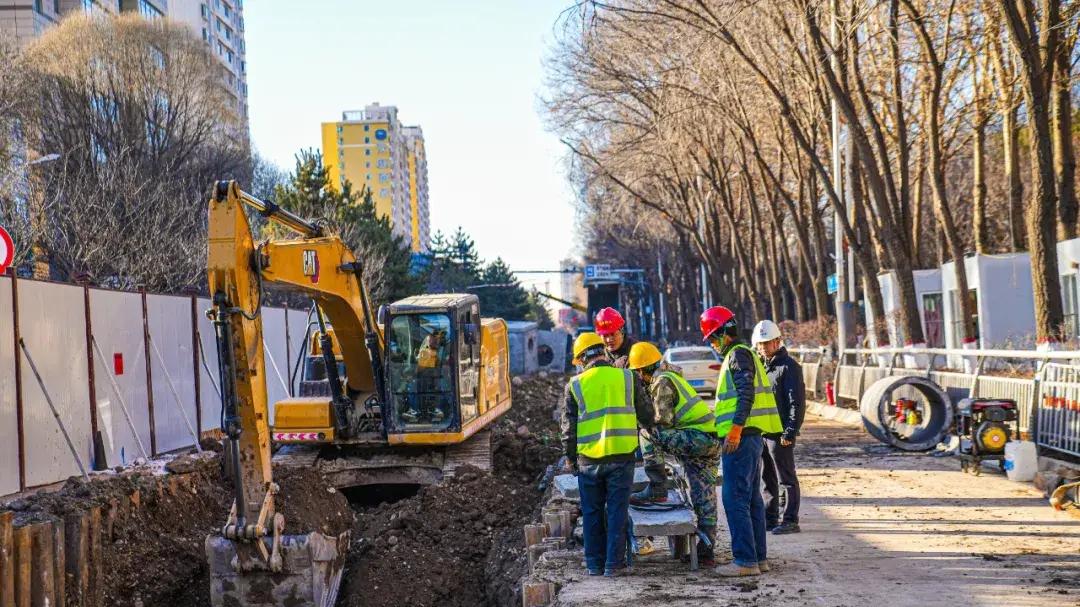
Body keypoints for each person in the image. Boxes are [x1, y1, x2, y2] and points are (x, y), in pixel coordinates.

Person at [560, 332, 653, 577]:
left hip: (588, 461)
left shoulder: (575, 385)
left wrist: (570, 457)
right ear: (602, 352)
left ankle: (594, 564)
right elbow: (647, 415)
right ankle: (614, 565)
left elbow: (569, 428)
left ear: (581, 359)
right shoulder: (628, 377)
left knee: (591, 512)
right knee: (617, 512)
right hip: (622, 458)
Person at [701, 306, 784, 577]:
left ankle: (746, 561)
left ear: (725, 333)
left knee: (735, 498)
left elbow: (745, 393)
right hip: (750, 438)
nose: (713, 344)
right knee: (750, 500)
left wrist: (735, 429)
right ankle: (758, 558)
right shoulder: (742, 354)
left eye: (714, 337)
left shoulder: (737, 355)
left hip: (741, 437)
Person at [626, 342, 722, 566]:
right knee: (703, 494)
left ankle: (657, 487)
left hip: (698, 439)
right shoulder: (672, 376)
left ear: (642, 370)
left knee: (648, 433)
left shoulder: (662, 381)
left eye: (637, 373)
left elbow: (662, 422)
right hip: (707, 440)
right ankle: (707, 551)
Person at [752, 320, 805, 535]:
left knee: (786, 478)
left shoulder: (789, 367)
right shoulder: (761, 367)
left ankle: (790, 519)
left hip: (780, 432)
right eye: (760, 344)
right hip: (764, 431)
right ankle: (770, 518)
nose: (764, 347)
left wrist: (790, 430)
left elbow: (796, 402)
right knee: (767, 478)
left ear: (777, 342)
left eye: (768, 343)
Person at [403, 328, 449, 424]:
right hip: (435, 378)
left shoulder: (427, 352)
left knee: (412, 386)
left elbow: (420, 369)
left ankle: (414, 410)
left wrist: (411, 374)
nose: (430, 339)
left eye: (433, 338)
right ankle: (435, 409)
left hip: (433, 379)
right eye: (431, 337)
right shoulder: (438, 350)